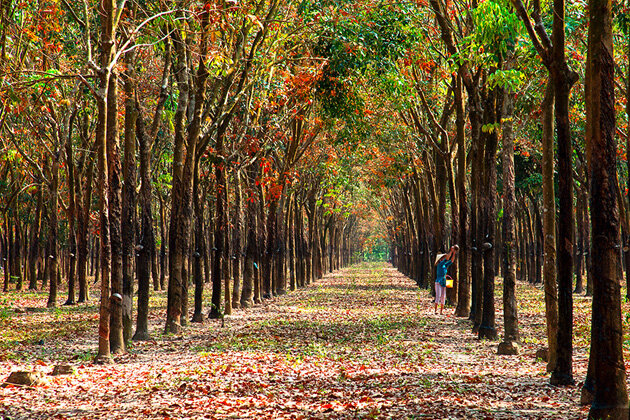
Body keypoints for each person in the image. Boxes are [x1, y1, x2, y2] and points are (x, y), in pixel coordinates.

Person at [434, 245, 459, 315]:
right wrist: (451, 251)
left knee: (443, 296)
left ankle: (441, 311)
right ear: (441, 259)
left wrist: (454, 253)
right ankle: (435, 310)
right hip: (438, 282)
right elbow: (448, 258)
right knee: (438, 295)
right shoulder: (440, 264)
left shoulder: (445, 265)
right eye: (443, 258)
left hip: (443, 282)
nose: (445, 258)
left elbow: (451, 261)